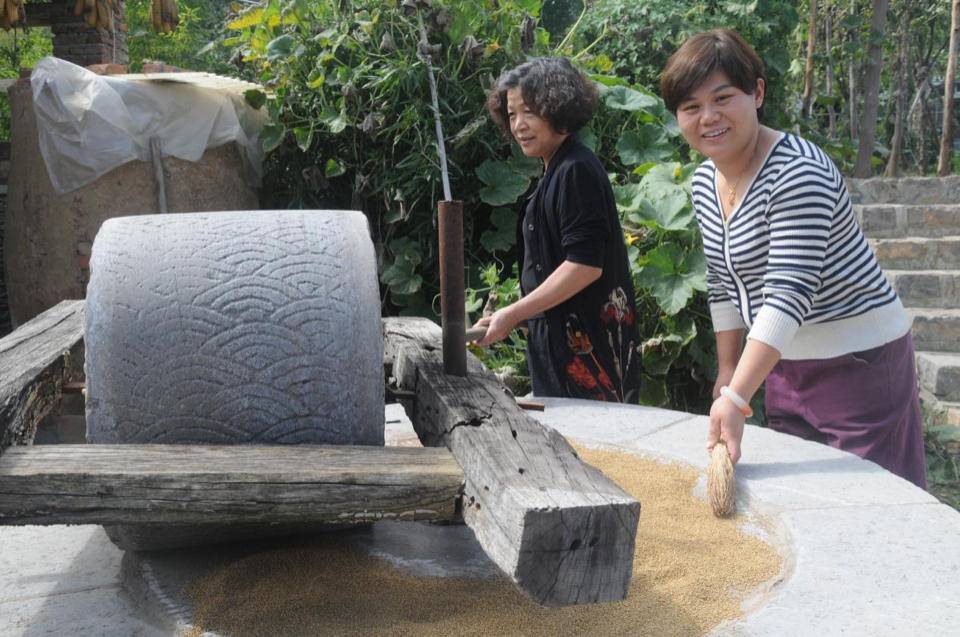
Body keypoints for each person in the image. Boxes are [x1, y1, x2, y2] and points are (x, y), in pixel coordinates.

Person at [660, 29, 926, 488]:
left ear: (757, 92)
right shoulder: (706, 181)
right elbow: (723, 283)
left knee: (872, 500)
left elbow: (787, 296)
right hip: (781, 362)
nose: (709, 117)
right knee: (805, 499)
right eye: (691, 107)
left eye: (723, 98)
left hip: (859, 363)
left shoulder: (797, 172)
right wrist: (729, 374)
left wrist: (738, 398)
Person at [476, 57, 641, 403]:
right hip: (561, 361)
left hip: (592, 363)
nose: (519, 124)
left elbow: (584, 266)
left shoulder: (575, 170)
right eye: (511, 114)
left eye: (530, 111)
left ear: (559, 107)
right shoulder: (554, 173)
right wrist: (519, 318)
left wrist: (514, 312)